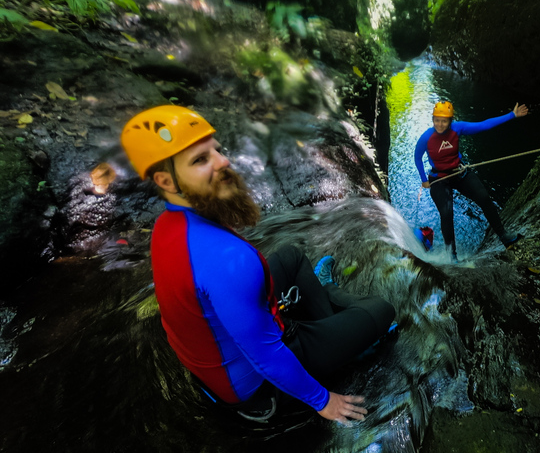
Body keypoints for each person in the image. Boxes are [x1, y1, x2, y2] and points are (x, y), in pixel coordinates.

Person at [121, 105, 395, 424]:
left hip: (214, 355)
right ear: (166, 180)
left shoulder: (167, 226)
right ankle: (333, 301)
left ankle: (332, 329)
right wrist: (323, 401)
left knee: (291, 255)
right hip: (251, 380)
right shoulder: (230, 262)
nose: (223, 161)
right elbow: (267, 355)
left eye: (217, 151)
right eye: (200, 160)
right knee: (382, 309)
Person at [414, 100, 529, 262]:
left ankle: (504, 236)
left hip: (459, 173)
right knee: (447, 213)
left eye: (444, 120)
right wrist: (424, 180)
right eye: (437, 120)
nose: (440, 124)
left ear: (450, 121)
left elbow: (483, 125)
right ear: (433, 120)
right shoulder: (426, 137)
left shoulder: (457, 128)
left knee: (484, 197)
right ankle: (451, 255)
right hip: (439, 179)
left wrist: (512, 115)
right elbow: (417, 157)